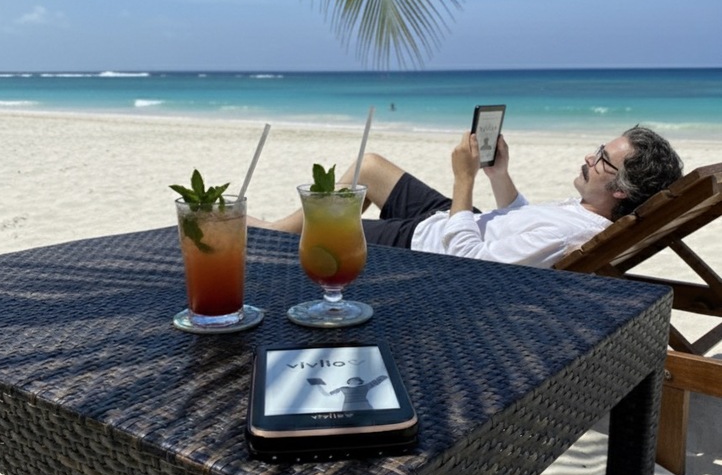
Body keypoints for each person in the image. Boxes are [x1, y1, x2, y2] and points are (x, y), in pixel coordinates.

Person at [251, 125, 683, 269]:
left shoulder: (573, 236)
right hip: (458, 222)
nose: (588, 158)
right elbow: (522, 221)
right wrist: (500, 175)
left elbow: (474, 264)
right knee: (371, 167)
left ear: (621, 190)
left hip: (433, 246)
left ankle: (266, 237)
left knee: (325, 227)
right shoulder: (585, 216)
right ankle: (274, 230)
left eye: (602, 160)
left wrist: (464, 180)